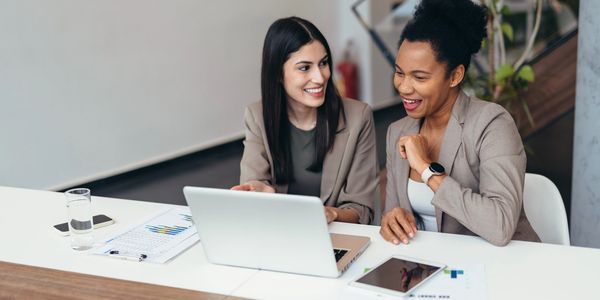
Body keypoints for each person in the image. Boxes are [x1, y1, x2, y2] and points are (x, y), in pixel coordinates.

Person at [380, 0, 540, 246]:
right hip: (429, 267)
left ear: (455, 75)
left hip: (499, 268)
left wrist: (425, 168)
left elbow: (500, 226)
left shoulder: (492, 124)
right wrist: (392, 219)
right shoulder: (398, 132)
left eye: (419, 77)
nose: (403, 86)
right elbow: (393, 214)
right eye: (399, 72)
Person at [232, 16, 378, 224]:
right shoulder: (257, 116)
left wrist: (331, 213)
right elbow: (255, 182)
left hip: (335, 238)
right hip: (279, 232)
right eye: (304, 67)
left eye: (324, 63)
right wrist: (260, 189)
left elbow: (362, 208)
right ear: (278, 74)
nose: (320, 77)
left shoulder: (358, 117)